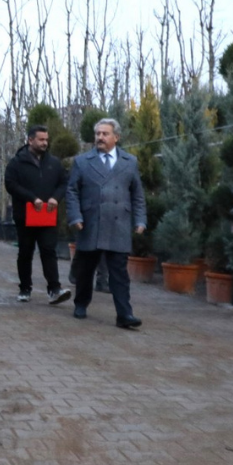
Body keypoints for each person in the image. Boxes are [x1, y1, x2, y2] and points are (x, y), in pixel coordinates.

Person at [66, 118, 146, 329]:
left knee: (119, 273)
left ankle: (124, 314)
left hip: (118, 224)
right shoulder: (82, 161)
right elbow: (72, 191)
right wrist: (76, 217)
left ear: (116, 137)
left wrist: (140, 220)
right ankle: (81, 303)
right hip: (90, 223)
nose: (100, 137)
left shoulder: (130, 162)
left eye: (105, 134)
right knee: (85, 269)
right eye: (98, 134)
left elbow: (137, 194)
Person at [4, 125, 71, 305]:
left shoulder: (54, 163)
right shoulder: (17, 162)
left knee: (49, 250)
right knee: (25, 252)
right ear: (30, 140)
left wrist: (56, 198)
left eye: (46, 140)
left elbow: (64, 183)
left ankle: (55, 289)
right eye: (41, 139)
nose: (44, 143)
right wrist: (31, 198)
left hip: (48, 215)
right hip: (25, 215)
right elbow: (10, 184)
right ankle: (25, 288)